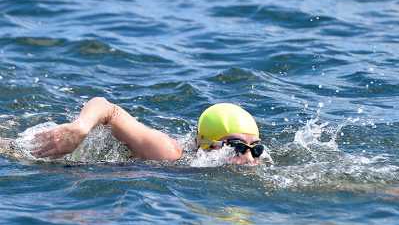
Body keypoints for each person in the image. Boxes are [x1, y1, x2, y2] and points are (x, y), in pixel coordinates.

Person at [25, 97, 264, 165]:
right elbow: (107, 109)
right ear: (207, 145)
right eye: (236, 146)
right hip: (56, 152)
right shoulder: (167, 152)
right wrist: (80, 128)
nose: (249, 158)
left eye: (256, 149)